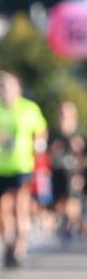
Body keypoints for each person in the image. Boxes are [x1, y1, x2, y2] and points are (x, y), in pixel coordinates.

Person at [0, 71, 47, 267]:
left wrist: (39, 145)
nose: (4, 90)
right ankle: (7, 240)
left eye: (8, 86)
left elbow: (40, 130)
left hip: (22, 164)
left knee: (19, 206)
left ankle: (19, 247)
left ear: (18, 88)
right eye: (1, 86)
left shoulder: (29, 108)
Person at [48, 100, 85, 240]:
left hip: (73, 174)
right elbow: (46, 153)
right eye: (62, 114)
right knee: (58, 202)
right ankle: (64, 222)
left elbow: (81, 157)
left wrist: (79, 175)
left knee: (72, 200)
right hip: (56, 173)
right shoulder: (53, 134)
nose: (65, 117)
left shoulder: (78, 135)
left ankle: (73, 224)